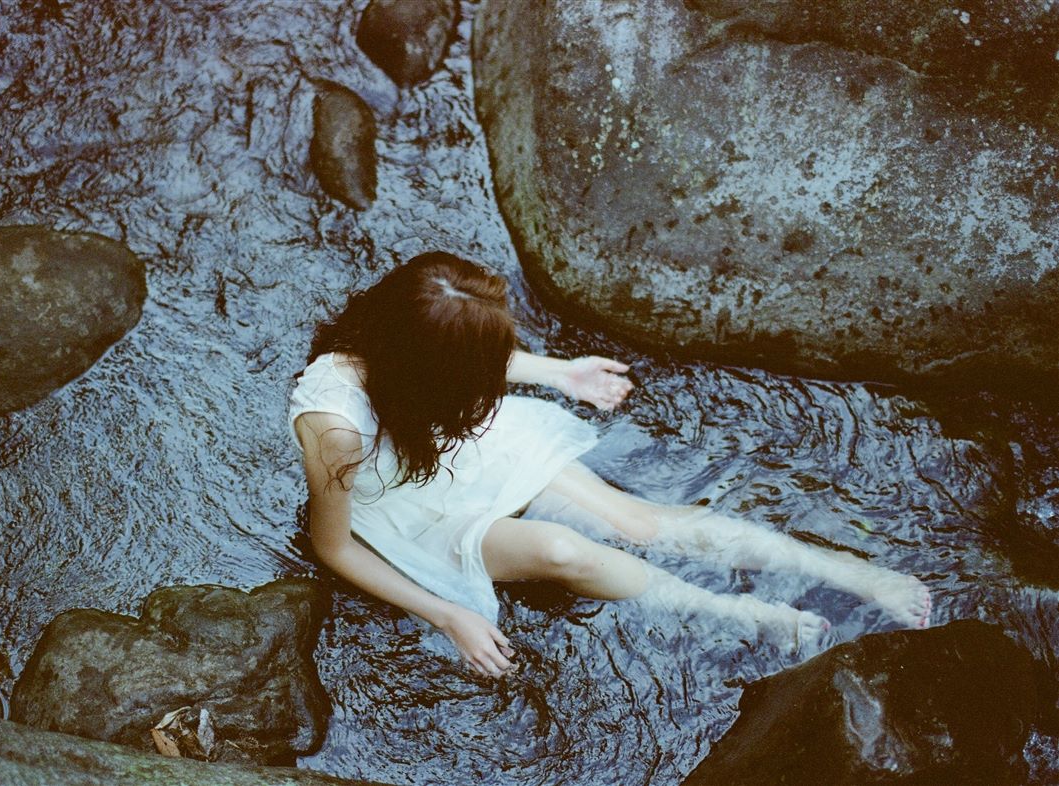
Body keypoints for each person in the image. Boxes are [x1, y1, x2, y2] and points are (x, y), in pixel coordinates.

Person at [288, 252, 931, 676]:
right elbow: (333, 546)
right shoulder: (336, 427)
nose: (491, 372)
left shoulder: (408, 341)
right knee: (562, 550)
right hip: (405, 508)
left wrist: (560, 373)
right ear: (426, 369)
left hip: (463, 450)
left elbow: (465, 356)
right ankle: (732, 614)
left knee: (639, 524)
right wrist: (447, 613)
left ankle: (849, 572)